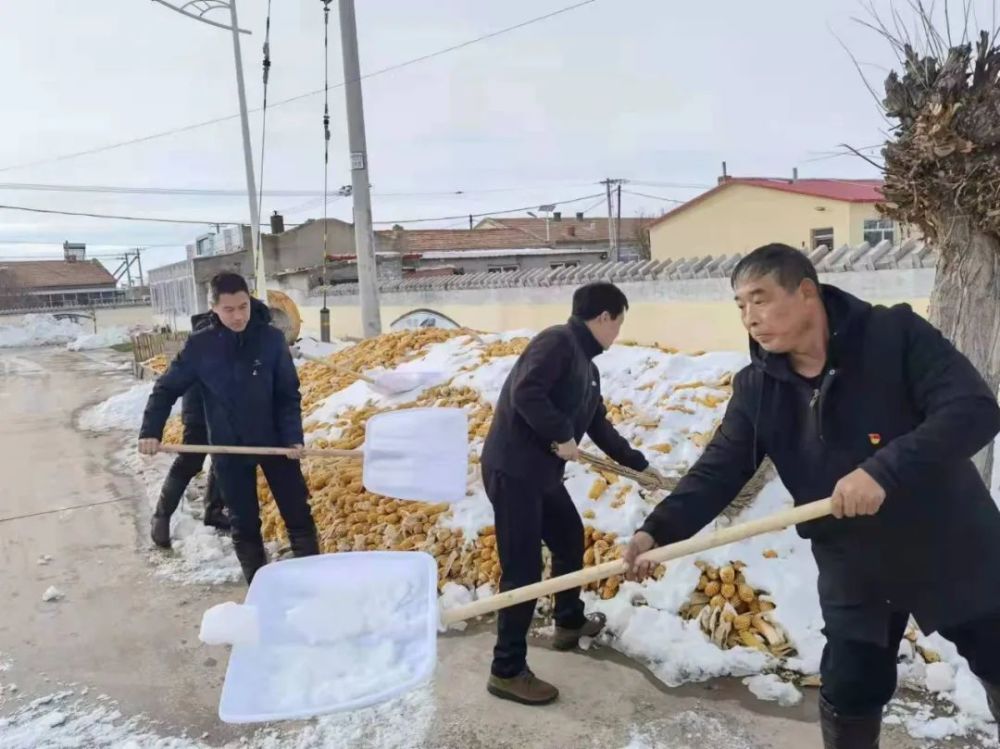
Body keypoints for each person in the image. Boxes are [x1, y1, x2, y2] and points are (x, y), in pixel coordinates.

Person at [622, 244, 1000, 748]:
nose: (750, 319)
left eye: (760, 299)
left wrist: (882, 471)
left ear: (806, 293)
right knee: (850, 686)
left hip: (951, 542)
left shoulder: (894, 337)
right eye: (740, 306)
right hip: (855, 559)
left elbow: (973, 410)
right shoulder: (759, 387)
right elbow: (719, 470)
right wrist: (657, 530)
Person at [480, 281, 666, 706]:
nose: (617, 334)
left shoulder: (587, 365)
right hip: (514, 472)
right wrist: (561, 434)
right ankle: (506, 670)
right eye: (617, 323)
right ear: (603, 317)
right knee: (521, 572)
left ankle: (568, 621)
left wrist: (638, 466)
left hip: (540, 474)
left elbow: (597, 424)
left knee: (569, 538)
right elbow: (525, 392)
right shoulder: (557, 343)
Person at [138, 272, 320, 584]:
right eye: (229, 310)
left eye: (243, 307)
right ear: (214, 308)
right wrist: (150, 431)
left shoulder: (271, 339)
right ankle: (261, 591)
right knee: (244, 524)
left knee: (298, 514)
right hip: (228, 446)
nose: (238, 316)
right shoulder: (201, 346)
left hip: (274, 441)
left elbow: (288, 394)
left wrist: (293, 437)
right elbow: (166, 389)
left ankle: (314, 582)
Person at [150, 310, 229, 549]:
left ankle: (213, 510)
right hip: (200, 411)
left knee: (222, 456)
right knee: (190, 461)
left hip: (224, 412)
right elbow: (169, 385)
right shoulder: (204, 342)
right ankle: (161, 517)